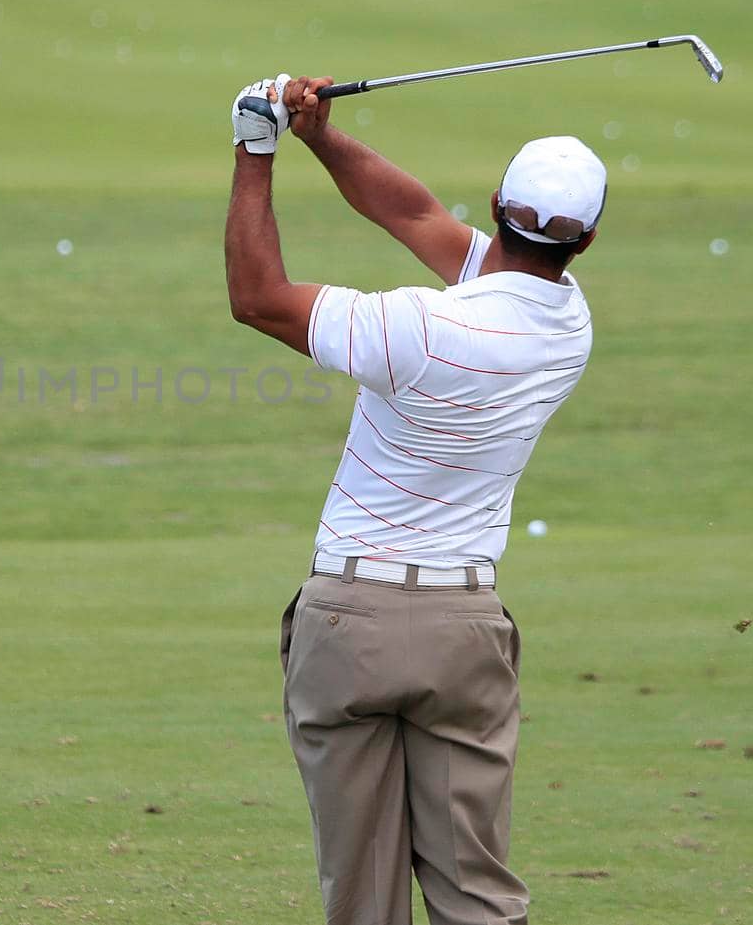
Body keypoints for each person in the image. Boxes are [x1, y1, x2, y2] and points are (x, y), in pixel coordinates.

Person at [224, 73, 606, 925]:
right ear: (586, 241)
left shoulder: (417, 328)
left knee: (363, 904)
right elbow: (414, 216)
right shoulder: (567, 324)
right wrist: (320, 136)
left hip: (348, 621)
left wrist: (258, 146)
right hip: (464, 632)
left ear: (501, 202)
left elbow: (257, 297)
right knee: (478, 898)